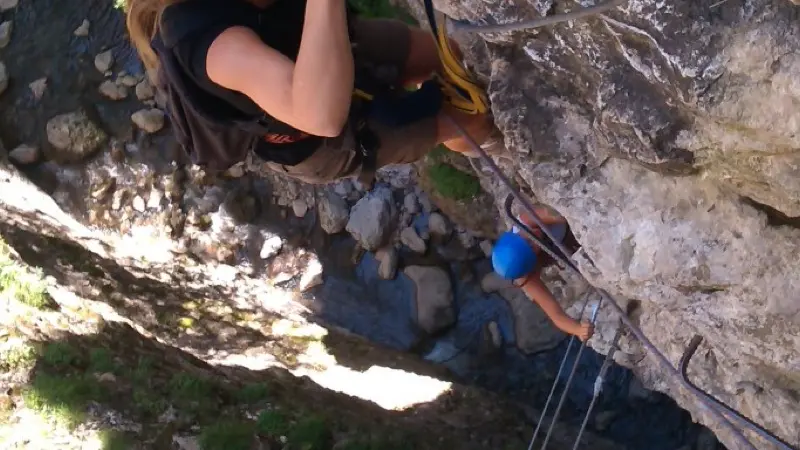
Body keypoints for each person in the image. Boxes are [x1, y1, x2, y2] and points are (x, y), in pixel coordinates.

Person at [125, 0, 506, 184]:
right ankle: (496, 144)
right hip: (318, 137)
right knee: (463, 122)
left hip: (322, 41)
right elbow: (318, 114)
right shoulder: (204, 41)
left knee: (446, 53)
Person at [492, 205, 594, 341]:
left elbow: (567, 213)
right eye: (532, 246)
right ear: (532, 262)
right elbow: (555, 315)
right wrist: (578, 330)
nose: (533, 237)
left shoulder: (526, 220)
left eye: (526, 238)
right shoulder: (527, 277)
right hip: (570, 243)